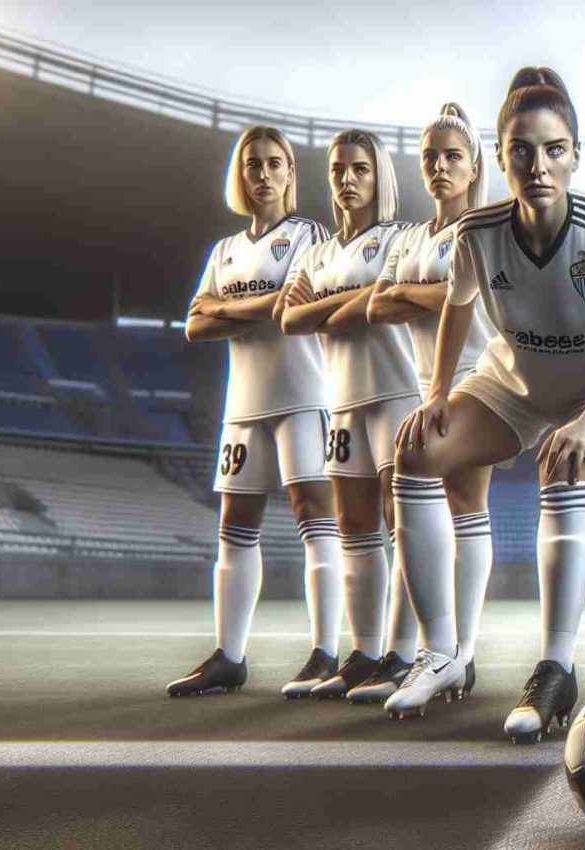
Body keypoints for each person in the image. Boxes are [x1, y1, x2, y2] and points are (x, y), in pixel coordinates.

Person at [388, 67, 585, 742]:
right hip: (515, 381)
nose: (537, 165)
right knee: (416, 450)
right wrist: (435, 393)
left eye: (553, 149)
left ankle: (555, 668)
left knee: (565, 465)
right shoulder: (479, 232)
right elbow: (457, 308)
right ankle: (445, 652)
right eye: (521, 151)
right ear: (502, 155)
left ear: (574, 154)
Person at [167, 126, 342, 698]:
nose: (263, 174)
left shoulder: (308, 232)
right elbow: (195, 324)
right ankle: (230, 656)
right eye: (252, 165)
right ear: (240, 177)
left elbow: (293, 303)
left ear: (291, 173)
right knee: (234, 526)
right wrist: (251, 307)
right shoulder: (225, 250)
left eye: (274, 164)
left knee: (314, 514)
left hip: (305, 394)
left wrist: (225, 305)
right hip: (243, 404)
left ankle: (326, 652)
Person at [279, 129, 419, 700]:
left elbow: (386, 302)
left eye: (360, 168)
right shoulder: (314, 252)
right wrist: (349, 306)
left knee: (402, 521)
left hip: (396, 391)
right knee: (355, 526)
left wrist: (323, 307)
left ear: (379, 176)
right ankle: (364, 653)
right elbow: (289, 321)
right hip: (341, 399)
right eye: (338, 169)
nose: (347, 178)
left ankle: (406, 652)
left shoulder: (402, 238)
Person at [369, 103, 496, 712]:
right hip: (426, 381)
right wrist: (437, 296)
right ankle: (447, 652)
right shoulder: (412, 237)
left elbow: (463, 295)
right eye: (430, 157)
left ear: (474, 166)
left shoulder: (485, 230)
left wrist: (420, 295)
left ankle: (458, 651)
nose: (440, 166)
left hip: (477, 376)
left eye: (452, 156)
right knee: (439, 504)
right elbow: (377, 306)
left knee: (467, 503)